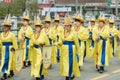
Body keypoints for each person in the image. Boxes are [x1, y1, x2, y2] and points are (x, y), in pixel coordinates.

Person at [57, 16, 80, 80]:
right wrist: (58, 43)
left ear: (70, 26)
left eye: (68, 26)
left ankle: (69, 74)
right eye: (65, 26)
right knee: (64, 63)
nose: (66, 27)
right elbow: (60, 40)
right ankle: (67, 74)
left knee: (70, 62)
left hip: (70, 49)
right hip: (64, 50)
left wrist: (78, 51)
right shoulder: (62, 33)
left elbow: (76, 42)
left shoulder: (74, 33)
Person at [0, 16, 18, 80]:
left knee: (6, 61)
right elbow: (0, 42)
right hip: (4, 50)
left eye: (7, 26)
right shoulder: (1, 34)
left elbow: (15, 43)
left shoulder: (12, 34)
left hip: (10, 49)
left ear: (9, 27)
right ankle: (11, 72)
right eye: (5, 26)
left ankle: (5, 74)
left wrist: (15, 49)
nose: (5, 27)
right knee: (7, 61)